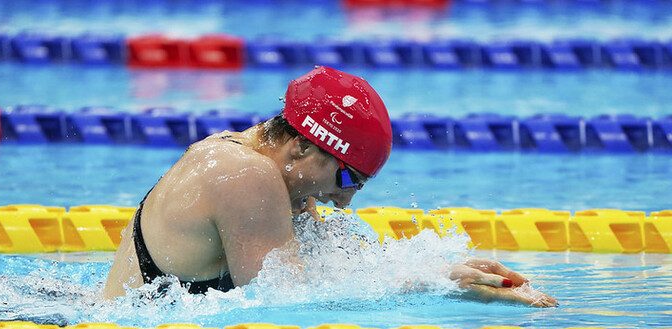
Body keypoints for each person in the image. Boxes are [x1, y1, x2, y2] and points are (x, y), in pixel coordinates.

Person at [103, 66, 556, 307]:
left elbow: (337, 271)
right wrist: (427, 285)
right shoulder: (246, 175)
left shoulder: (276, 173)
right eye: (346, 178)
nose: (346, 199)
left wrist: (449, 271)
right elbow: (282, 300)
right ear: (303, 147)